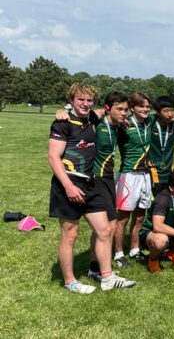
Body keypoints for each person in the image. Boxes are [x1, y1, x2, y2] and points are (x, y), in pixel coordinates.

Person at [48, 84, 135, 293]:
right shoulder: (62, 123)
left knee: (105, 230)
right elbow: (53, 157)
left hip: (90, 183)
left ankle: (106, 277)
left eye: (89, 100)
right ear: (71, 100)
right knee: (70, 234)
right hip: (68, 183)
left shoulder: (93, 118)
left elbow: (106, 111)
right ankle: (70, 282)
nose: (85, 104)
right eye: (80, 100)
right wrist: (68, 186)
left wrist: (121, 119)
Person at [88, 92, 128, 279]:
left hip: (108, 178)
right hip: (97, 178)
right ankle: (100, 270)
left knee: (105, 226)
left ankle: (94, 268)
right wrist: (61, 112)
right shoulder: (97, 123)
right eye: (119, 109)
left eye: (125, 110)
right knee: (108, 226)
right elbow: (80, 115)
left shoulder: (116, 126)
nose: (123, 113)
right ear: (107, 109)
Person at [114, 92, 154, 267]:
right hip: (128, 176)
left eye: (147, 106)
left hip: (146, 175)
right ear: (132, 108)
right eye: (141, 106)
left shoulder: (149, 122)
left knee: (139, 217)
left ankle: (135, 251)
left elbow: (169, 115)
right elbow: (103, 116)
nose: (145, 109)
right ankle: (118, 254)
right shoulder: (123, 124)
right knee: (122, 218)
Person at [148, 96, 174, 195]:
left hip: (169, 173)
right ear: (157, 112)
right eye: (166, 111)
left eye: (172, 110)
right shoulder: (150, 123)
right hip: (152, 173)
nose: (170, 114)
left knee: (167, 203)